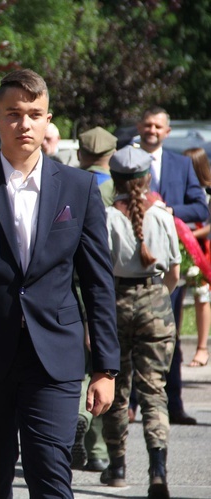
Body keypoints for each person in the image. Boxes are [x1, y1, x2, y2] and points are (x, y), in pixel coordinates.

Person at [0, 69, 119, 499]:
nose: (25, 124)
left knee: (51, 477)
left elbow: (97, 283)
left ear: (48, 119)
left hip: (54, 359)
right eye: (13, 114)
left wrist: (106, 368)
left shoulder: (79, 187)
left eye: (34, 114)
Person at [100, 146, 180, 499]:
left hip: (115, 304)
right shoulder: (162, 216)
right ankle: (158, 470)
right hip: (156, 303)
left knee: (117, 390)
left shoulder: (105, 218)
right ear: (148, 178)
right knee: (154, 393)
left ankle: (117, 467)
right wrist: (158, 298)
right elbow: (174, 274)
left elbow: (96, 275)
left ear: (114, 180)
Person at [139, 105, 207, 425]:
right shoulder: (127, 162)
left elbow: (200, 208)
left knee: (171, 337)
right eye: (147, 125)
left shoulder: (181, 165)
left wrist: (167, 210)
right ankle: (128, 405)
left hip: (170, 267)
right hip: (132, 264)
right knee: (131, 335)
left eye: (157, 127)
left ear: (167, 132)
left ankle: (174, 404)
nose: (151, 130)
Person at [71, 125, 118, 473]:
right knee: (104, 371)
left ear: (80, 154)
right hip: (113, 291)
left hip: (69, 290)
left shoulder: (68, 185)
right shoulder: (127, 188)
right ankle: (99, 450)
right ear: (111, 155)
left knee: (70, 368)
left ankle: (71, 423)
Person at [183, 147, 211, 367]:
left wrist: (189, 236)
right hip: (180, 245)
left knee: (202, 297)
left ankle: (202, 348)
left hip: (201, 249)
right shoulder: (180, 189)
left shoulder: (206, 192)